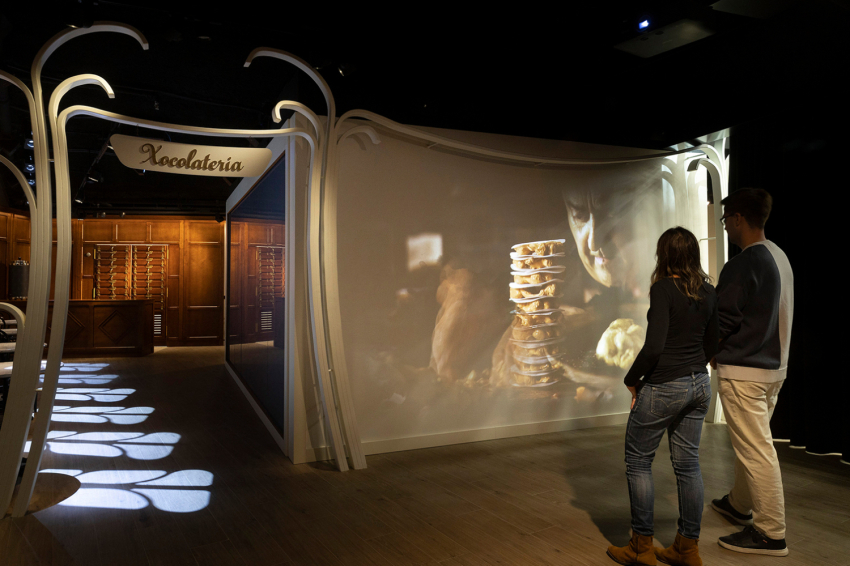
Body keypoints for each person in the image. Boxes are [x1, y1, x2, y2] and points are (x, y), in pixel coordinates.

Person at [607, 227, 718, 566]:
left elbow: (654, 347)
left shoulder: (663, 289)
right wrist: (694, 366)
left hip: (665, 385)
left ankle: (641, 547)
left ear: (664, 255)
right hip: (700, 384)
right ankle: (687, 548)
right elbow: (713, 341)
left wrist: (631, 379)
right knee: (688, 465)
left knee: (639, 461)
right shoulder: (709, 291)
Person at [709, 188, 793, 557]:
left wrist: (709, 352)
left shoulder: (742, 264)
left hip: (745, 371)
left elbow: (723, 319)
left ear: (739, 218)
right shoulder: (780, 256)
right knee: (754, 444)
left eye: (726, 219)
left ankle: (770, 532)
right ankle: (738, 504)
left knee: (756, 449)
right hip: (774, 368)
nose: (726, 226)